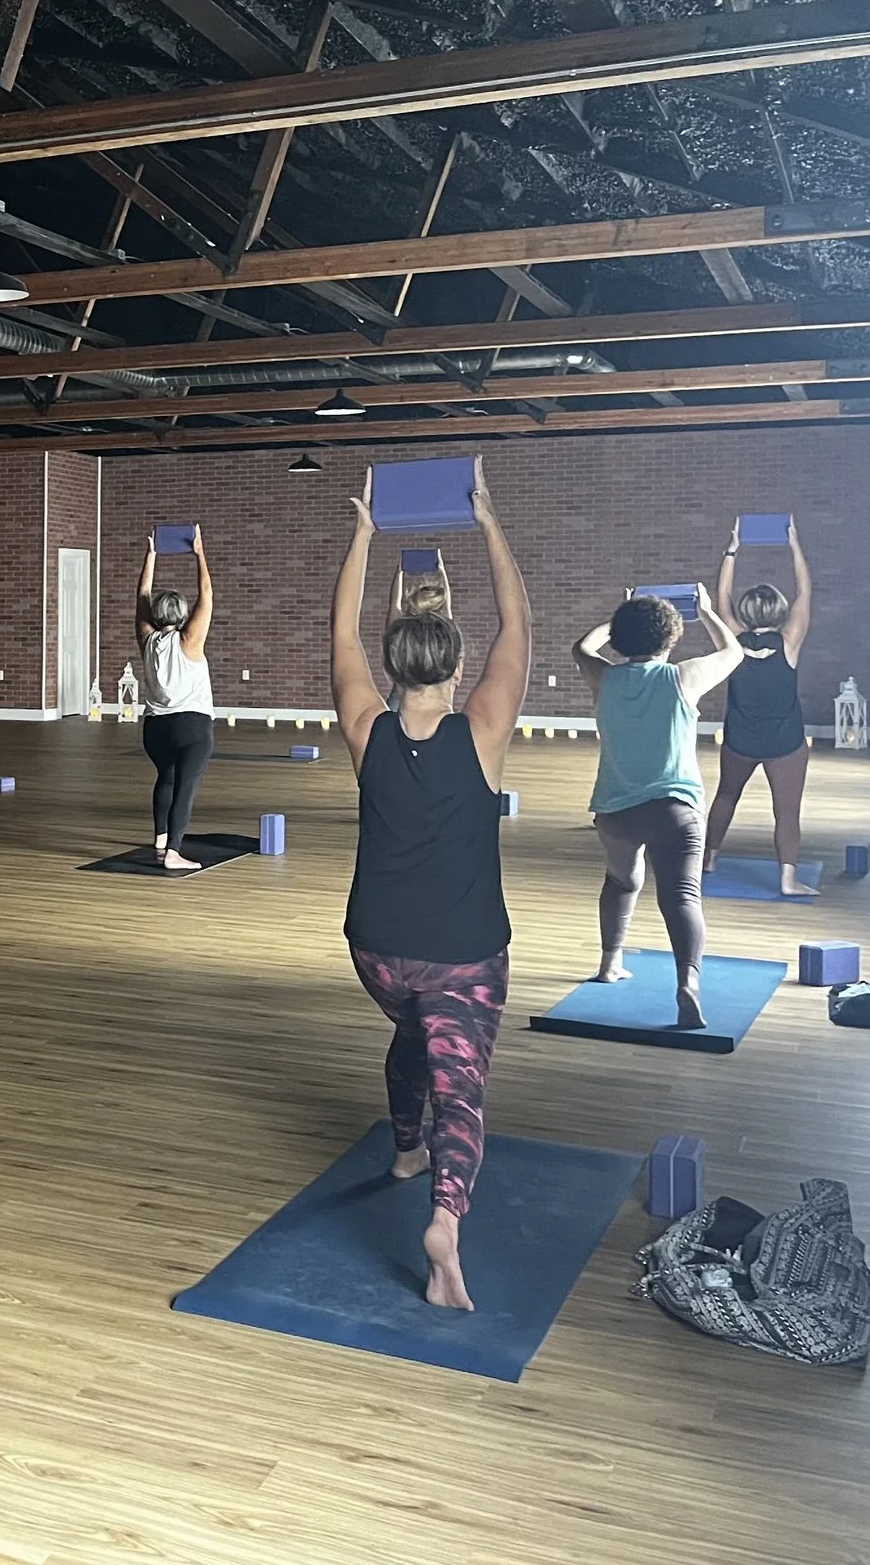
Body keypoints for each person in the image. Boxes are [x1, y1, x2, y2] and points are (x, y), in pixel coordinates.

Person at [331, 462, 530, 1312]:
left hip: (376, 951)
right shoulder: (482, 732)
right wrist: (487, 520)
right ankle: (445, 1219)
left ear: (392, 663)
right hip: (462, 955)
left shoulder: (365, 726)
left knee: (415, 1030)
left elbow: (340, 636)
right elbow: (517, 624)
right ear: (454, 664)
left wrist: (365, 532)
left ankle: (405, 1149)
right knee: (463, 1081)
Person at [574, 583, 747, 1029]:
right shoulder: (682, 677)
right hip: (674, 808)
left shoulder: (604, 676)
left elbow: (582, 646)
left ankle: (610, 964)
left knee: (621, 881)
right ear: (671, 639)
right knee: (682, 895)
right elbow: (733, 651)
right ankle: (688, 983)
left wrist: (620, 615)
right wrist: (707, 611)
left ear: (621, 638)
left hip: (615, 810)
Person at [705, 517, 816, 894]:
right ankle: (788, 880)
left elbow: (722, 597)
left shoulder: (734, 642)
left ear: (746, 613)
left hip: (740, 742)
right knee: (787, 811)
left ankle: (709, 859)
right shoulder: (790, 642)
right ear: (780, 613)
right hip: (785, 744)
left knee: (725, 796)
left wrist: (732, 549)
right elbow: (805, 591)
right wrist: (793, 545)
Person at [136, 526, 216, 870]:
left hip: (155, 731)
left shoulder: (147, 639)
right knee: (185, 785)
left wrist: (151, 555)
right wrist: (199, 554)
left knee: (166, 777)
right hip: (191, 728)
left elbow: (142, 595)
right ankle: (173, 852)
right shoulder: (190, 640)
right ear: (182, 615)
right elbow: (207, 594)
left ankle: (159, 840)